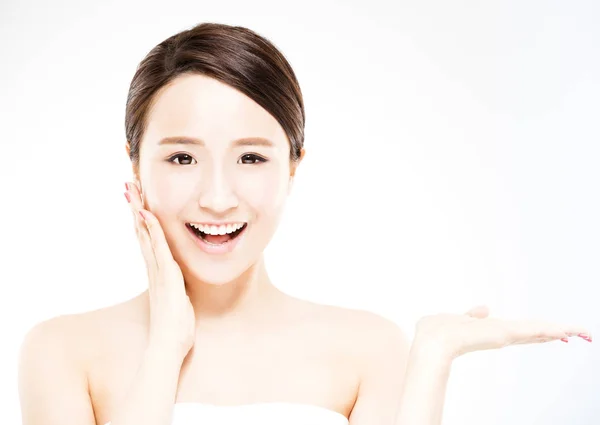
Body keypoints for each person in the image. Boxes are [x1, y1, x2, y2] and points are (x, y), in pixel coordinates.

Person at [17, 22, 592, 425]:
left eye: (251, 157)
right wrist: (167, 343)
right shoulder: (61, 351)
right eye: (182, 158)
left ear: (293, 168)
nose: (217, 198)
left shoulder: (367, 348)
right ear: (134, 166)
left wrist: (433, 356)